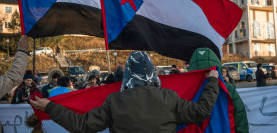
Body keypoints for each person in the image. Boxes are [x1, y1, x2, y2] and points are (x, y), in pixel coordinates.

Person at [31, 51, 219, 132]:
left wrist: (50, 107)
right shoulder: (168, 97)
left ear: (128, 72)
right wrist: (211, 81)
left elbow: (82, 125)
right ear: (152, 71)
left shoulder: (114, 101)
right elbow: (201, 112)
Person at [188, 48, 249, 133]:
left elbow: (240, 119)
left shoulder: (229, 90)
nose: (206, 75)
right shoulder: (187, 91)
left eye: (209, 71)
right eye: (201, 72)